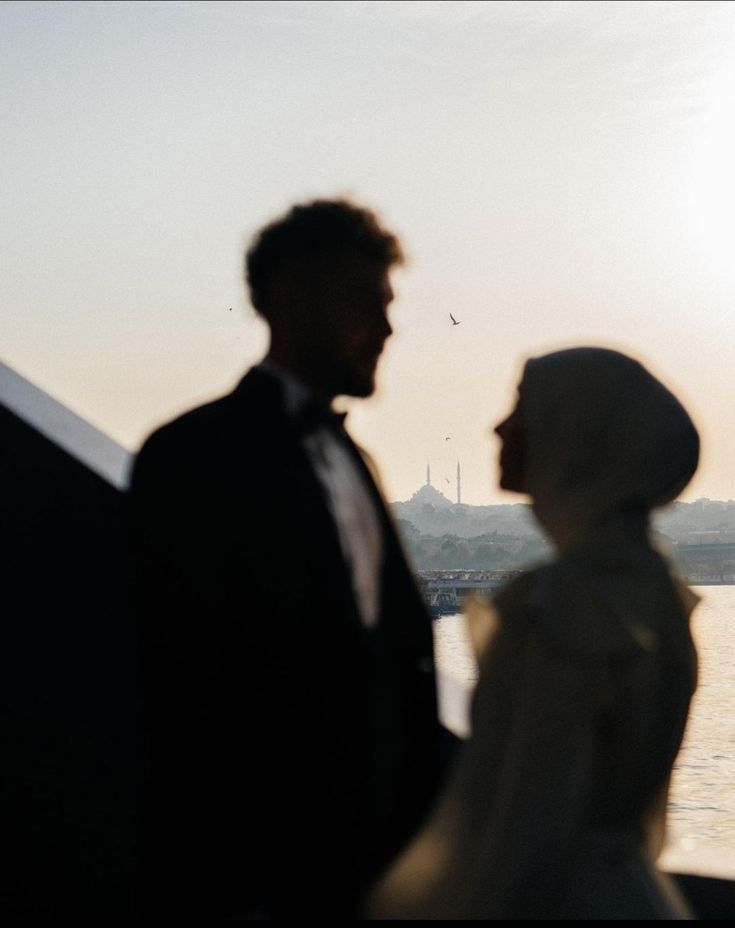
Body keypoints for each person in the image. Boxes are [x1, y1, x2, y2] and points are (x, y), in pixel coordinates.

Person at [127, 199, 445, 919]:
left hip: (364, 872)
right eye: (368, 302)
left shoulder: (352, 459)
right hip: (252, 881)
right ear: (291, 298)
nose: (389, 328)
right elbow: (185, 689)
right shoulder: (191, 458)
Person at [367, 347, 700, 920]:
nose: (499, 427)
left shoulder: (558, 605)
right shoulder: (655, 588)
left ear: (574, 436)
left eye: (522, 409)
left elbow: (525, 821)